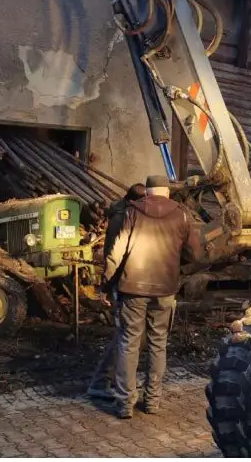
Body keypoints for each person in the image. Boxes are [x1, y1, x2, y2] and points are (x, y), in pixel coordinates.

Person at [103, 174, 204, 419]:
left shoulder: (132, 212)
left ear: (147, 192)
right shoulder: (181, 214)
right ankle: (152, 401)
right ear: (167, 192)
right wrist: (176, 265)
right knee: (158, 343)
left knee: (129, 343)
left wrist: (106, 283)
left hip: (132, 288)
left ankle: (125, 404)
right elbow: (195, 254)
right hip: (165, 289)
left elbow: (117, 251)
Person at [85, 183, 146, 400]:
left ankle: (124, 378)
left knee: (130, 335)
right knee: (126, 335)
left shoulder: (124, 213)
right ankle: (102, 381)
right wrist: (109, 286)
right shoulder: (123, 218)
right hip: (123, 283)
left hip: (125, 281)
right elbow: (116, 255)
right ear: (133, 201)